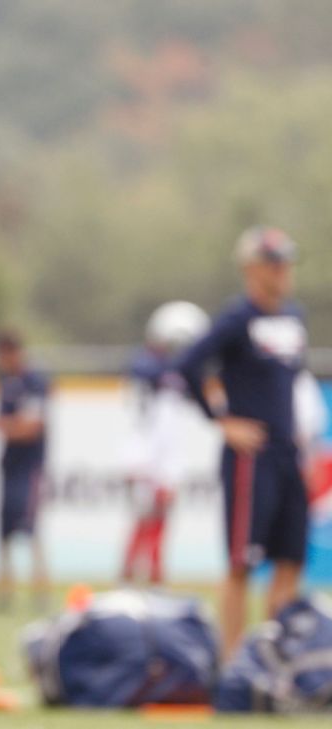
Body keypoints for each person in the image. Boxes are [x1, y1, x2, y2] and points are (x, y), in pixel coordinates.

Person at [174, 226, 309, 660]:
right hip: (252, 458)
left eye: (286, 261)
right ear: (252, 269)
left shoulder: (293, 319)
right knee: (241, 563)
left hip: (289, 453)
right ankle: (233, 663)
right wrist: (222, 421)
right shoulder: (237, 319)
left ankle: (277, 661)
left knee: (291, 559)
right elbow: (188, 365)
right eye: (274, 262)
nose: (283, 270)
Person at [119, 301, 210, 584]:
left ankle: (153, 577)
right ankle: (132, 578)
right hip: (147, 455)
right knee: (145, 520)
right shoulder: (151, 368)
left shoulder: (171, 376)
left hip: (162, 457)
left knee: (159, 522)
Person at [0, 330, 50, 613]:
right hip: (9, 464)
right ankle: (5, 590)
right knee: (3, 530)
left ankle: (40, 590)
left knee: (31, 529)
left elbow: (31, 427)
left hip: (30, 466)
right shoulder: (4, 382)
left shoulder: (35, 382)